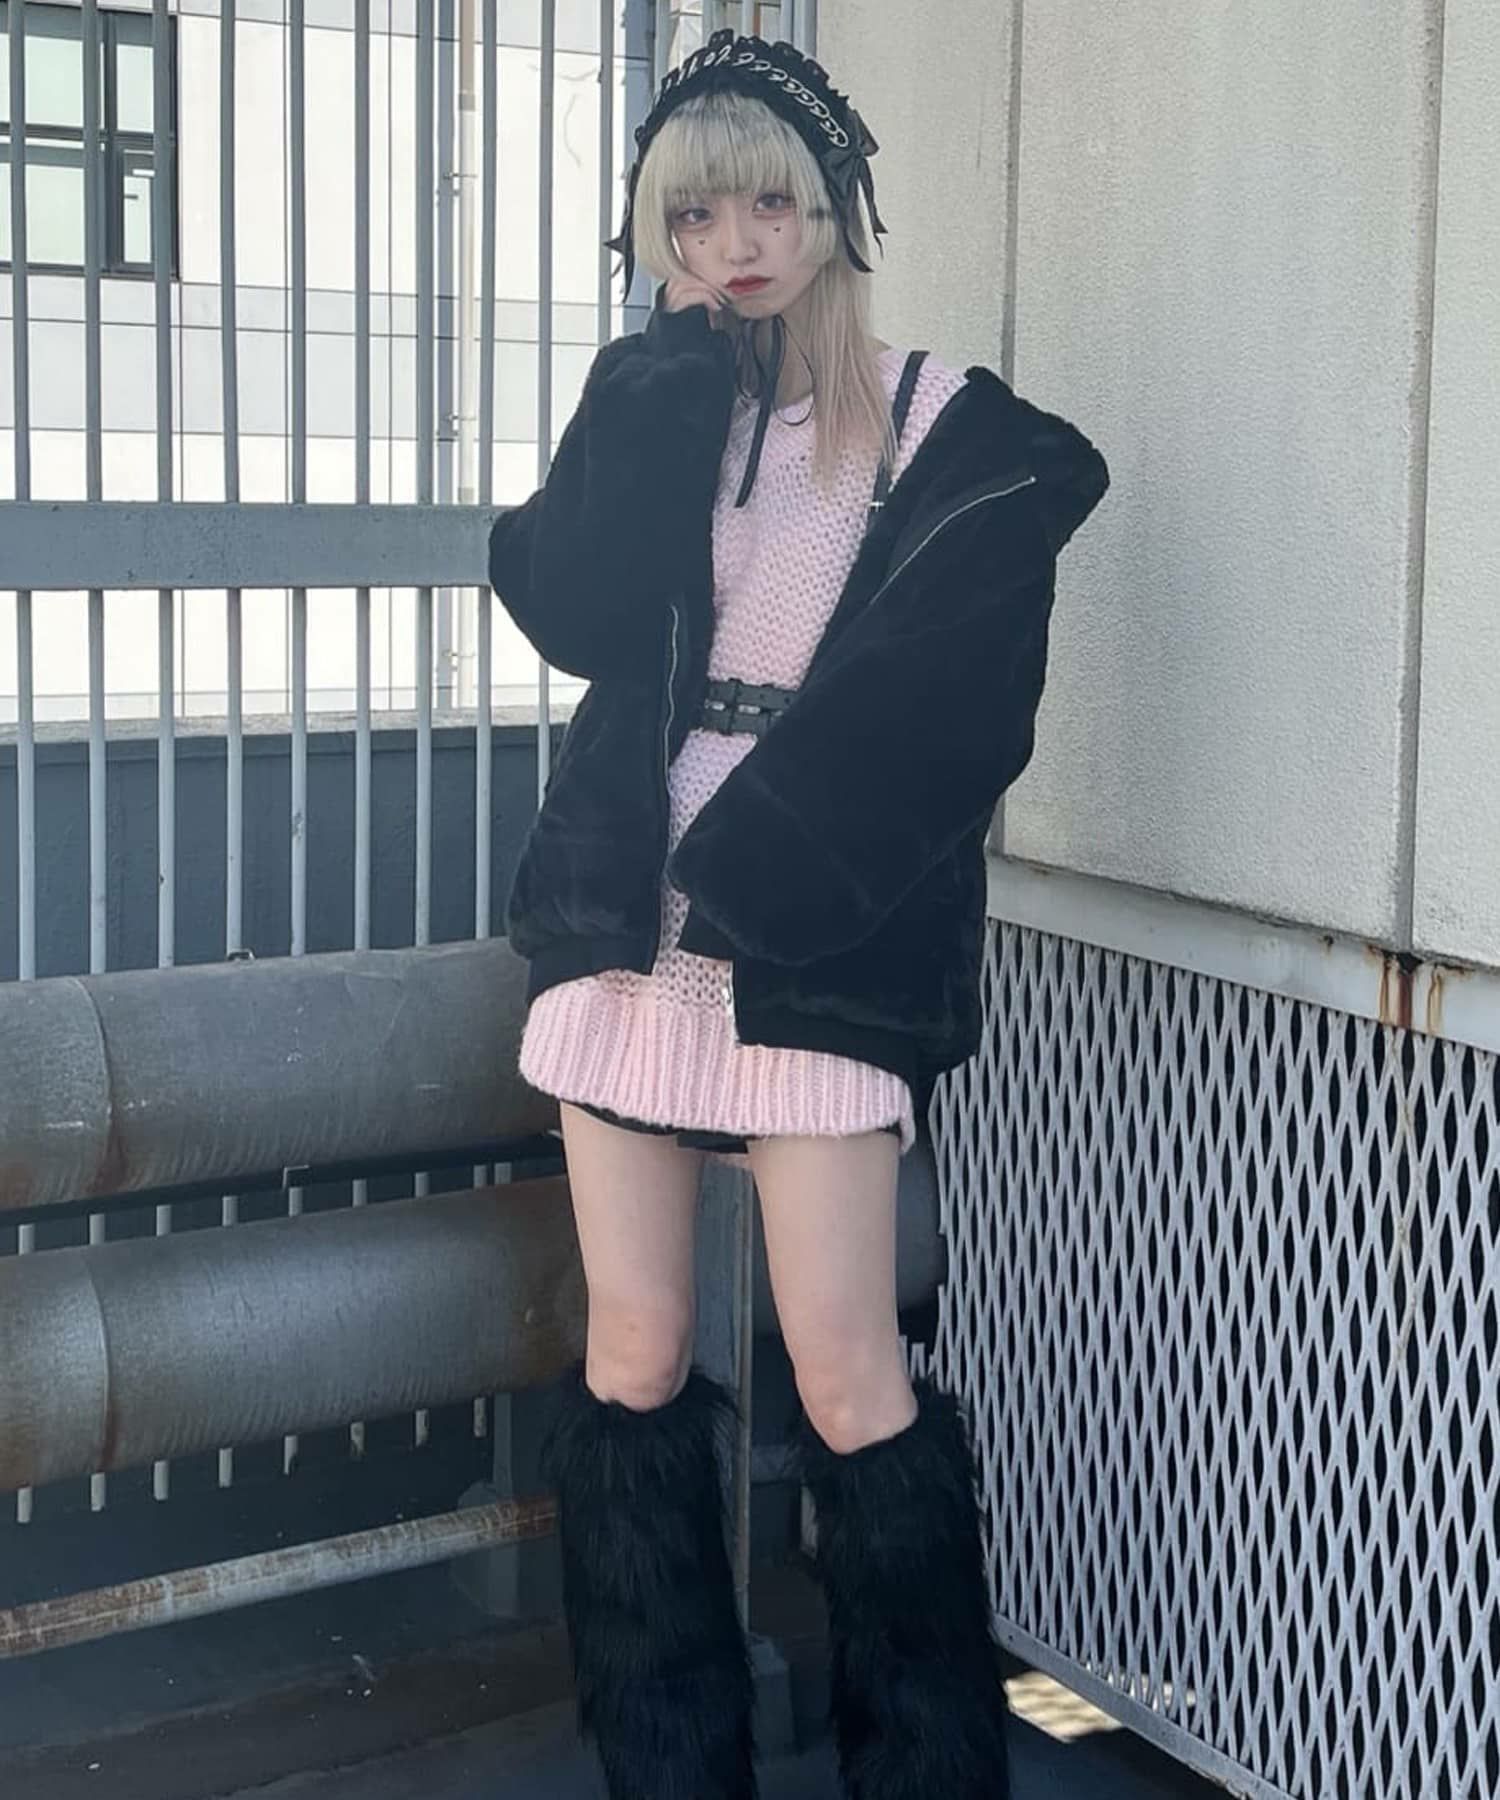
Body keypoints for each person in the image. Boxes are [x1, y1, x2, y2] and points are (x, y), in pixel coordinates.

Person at [488, 28, 1108, 1800]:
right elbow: (576, 611)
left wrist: (768, 876)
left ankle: (926, 1767)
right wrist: (653, 401)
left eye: (769, 204)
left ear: (837, 213)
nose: (734, 246)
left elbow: (959, 708)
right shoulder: (669, 406)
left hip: (812, 937)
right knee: (632, 1355)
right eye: (691, 220)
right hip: (629, 930)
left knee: (848, 1375)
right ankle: (669, 1768)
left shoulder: (944, 424)